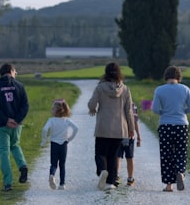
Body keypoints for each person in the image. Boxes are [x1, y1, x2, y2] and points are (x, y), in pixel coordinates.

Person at [87, 61, 136, 190]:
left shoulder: (100, 87)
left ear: (106, 73)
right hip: (120, 129)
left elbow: (92, 104)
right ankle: (110, 183)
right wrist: (131, 128)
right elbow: (129, 111)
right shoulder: (125, 89)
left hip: (103, 127)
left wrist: (93, 109)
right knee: (113, 156)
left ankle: (102, 170)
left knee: (100, 153)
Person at [150, 65, 190, 192]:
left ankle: (169, 185)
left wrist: (165, 113)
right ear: (178, 77)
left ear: (166, 76)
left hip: (165, 125)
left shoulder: (159, 90)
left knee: (166, 154)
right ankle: (180, 171)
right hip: (181, 125)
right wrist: (181, 111)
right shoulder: (185, 89)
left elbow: (154, 109)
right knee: (181, 151)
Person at [0, 63, 29, 192]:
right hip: (17, 125)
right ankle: (22, 166)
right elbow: (25, 106)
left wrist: (6, 120)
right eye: (15, 72)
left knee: (4, 152)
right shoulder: (20, 86)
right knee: (15, 145)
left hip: (2, 125)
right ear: (11, 71)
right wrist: (17, 120)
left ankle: (8, 183)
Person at [40, 98, 79, 190]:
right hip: (63, 144)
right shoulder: (66, 120)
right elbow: (76, 128)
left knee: (53, 164)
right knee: (62, 164)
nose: (51, 110)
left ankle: (52, 175)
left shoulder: (51, 120)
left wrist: (44, 140)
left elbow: (45, 129)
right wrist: (70, 138)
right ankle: (62, 184)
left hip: (54, 144)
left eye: (52, 109)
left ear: (56, 111)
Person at [114, 102, 142, 186]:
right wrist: (138, 136)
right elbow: (135, 121)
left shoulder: (115, 104)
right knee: (129, 157)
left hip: (117, 134)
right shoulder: (132, 105)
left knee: (117, 156)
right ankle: (130, 178)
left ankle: (116, 176)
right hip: (130, 135)